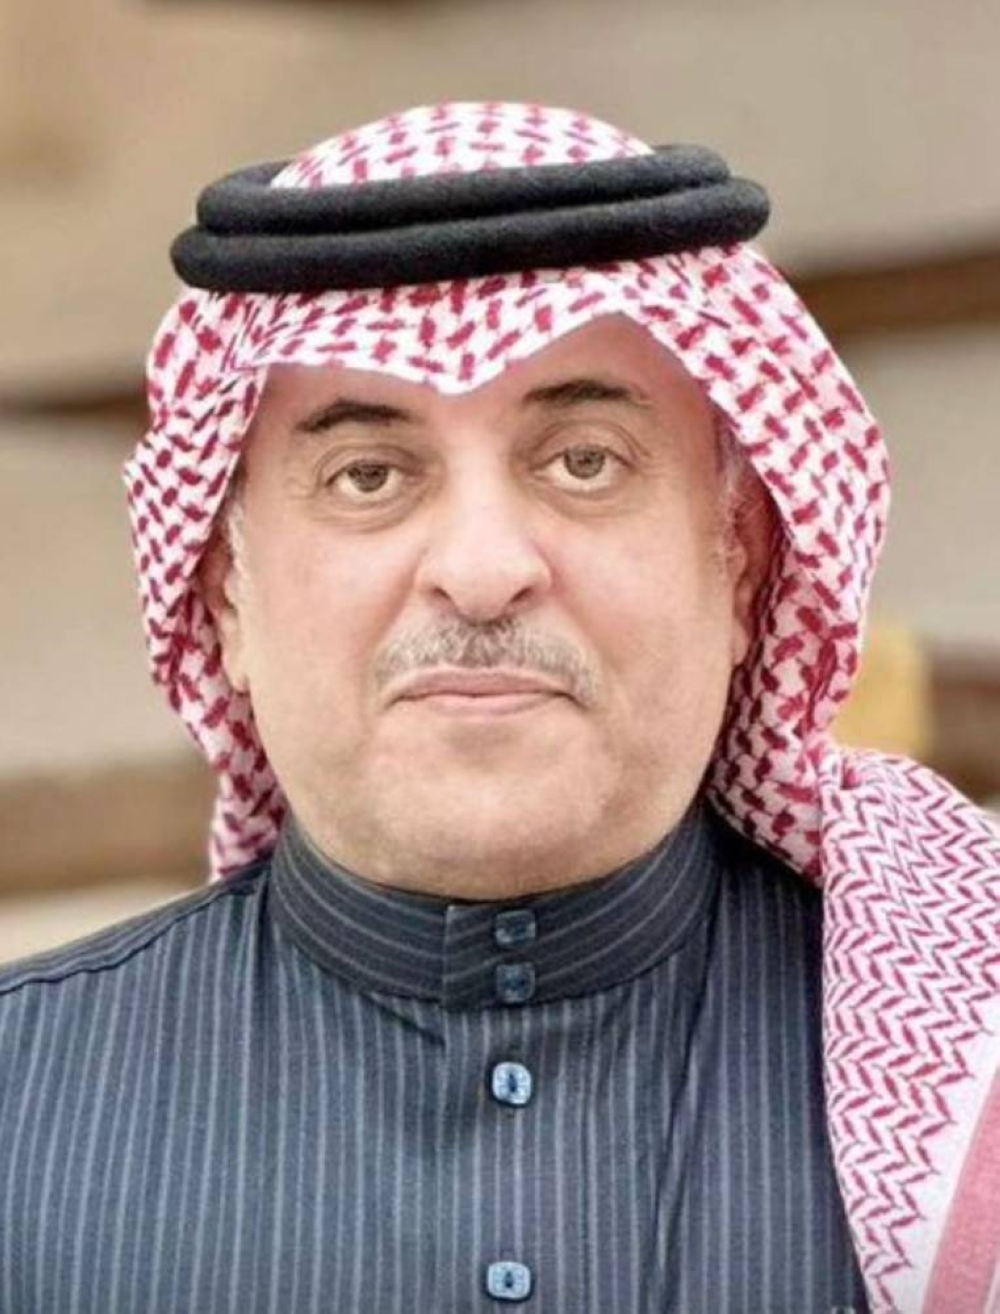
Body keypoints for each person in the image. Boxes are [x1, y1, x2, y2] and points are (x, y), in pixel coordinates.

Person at [1, 102, 997, 1314]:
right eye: (369, 476)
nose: (481, 570)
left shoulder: (971, 1082)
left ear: (739, 567)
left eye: (584, 461)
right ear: (225, 599)